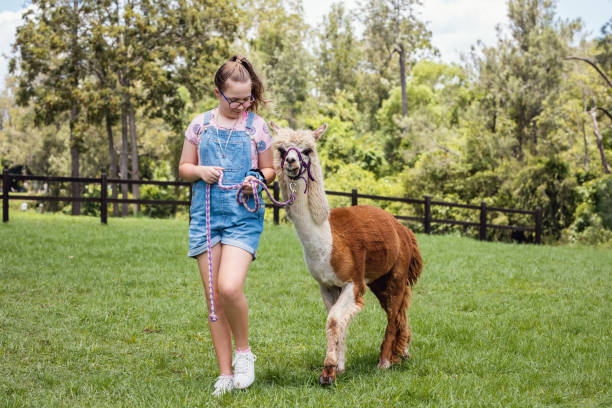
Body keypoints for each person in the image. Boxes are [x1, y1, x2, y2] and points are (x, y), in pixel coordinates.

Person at [178, 55, 275, 396]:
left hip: (242, 217)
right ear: (217, 92)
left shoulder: (257, 126)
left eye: (246, 98)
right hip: (206, 218)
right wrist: (200, 171)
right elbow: (184, 167)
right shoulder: (199, 125)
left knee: (230, 287)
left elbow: (270, 169)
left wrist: (255, 179)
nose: (240, 105)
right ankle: (224, 374)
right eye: (233, 99)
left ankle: (244, 352)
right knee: (214, 298)